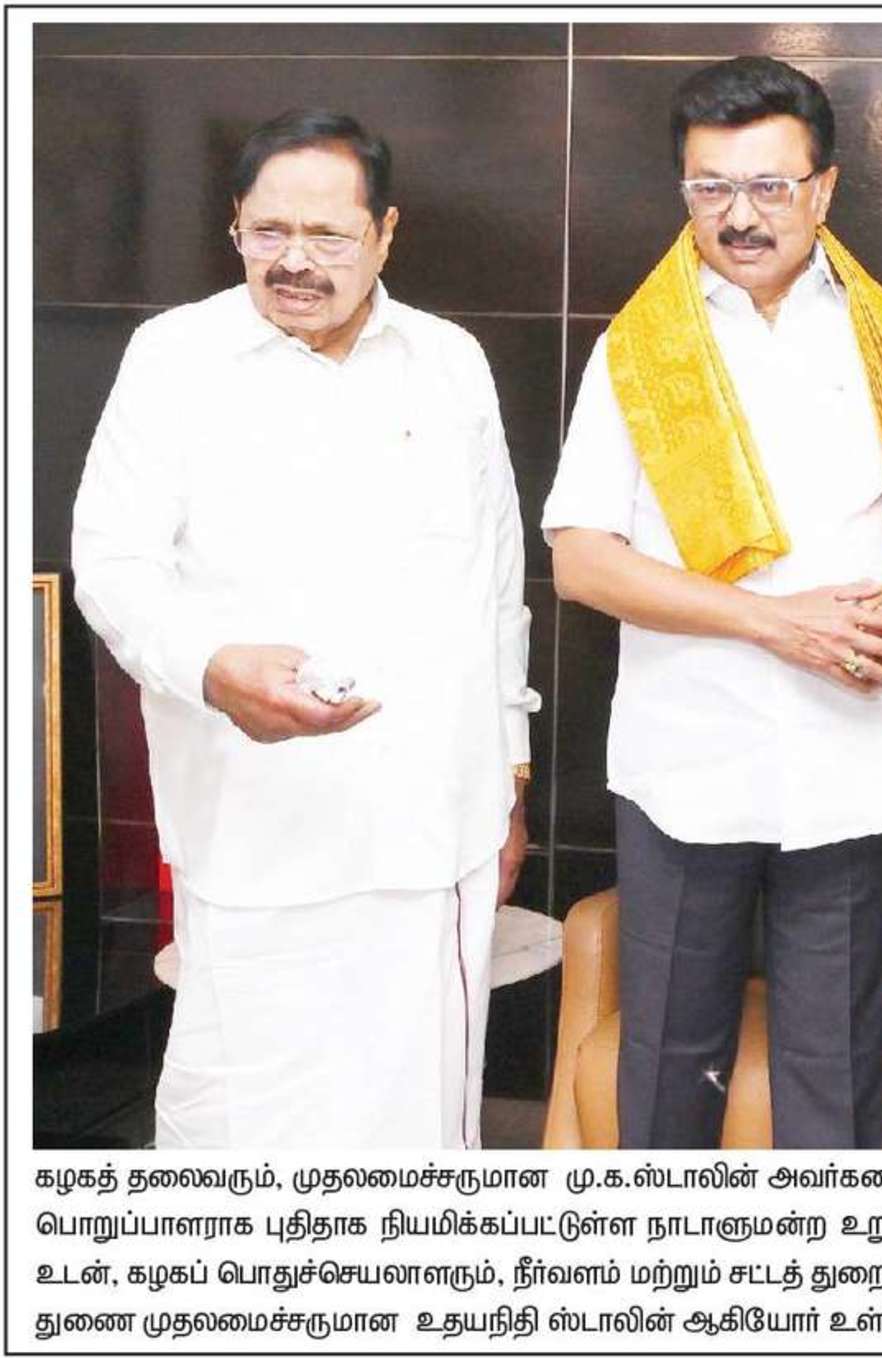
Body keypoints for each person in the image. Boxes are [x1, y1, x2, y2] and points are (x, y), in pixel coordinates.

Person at [71, 110, 539, 1149]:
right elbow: (113, 563)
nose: (294, 261)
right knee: (238, 1129)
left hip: (432, 828)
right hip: (254, 828)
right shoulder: (174, 357)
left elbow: (497, 584)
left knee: (416, 1134)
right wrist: (210, 666)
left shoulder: (449, 361)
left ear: (385, 234)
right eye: (268, 230)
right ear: (234, 224)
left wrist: (511, 777)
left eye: (328, 236)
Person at [543, 56, 882, 1149]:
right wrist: (778, 623)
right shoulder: (639, 349)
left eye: (770, 187)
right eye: (712, 188)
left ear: (823, 189)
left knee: (841, 1083)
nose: (740, 217)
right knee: (666, 1080)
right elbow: (582, 561)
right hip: (685, 766)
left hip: (848, 761)